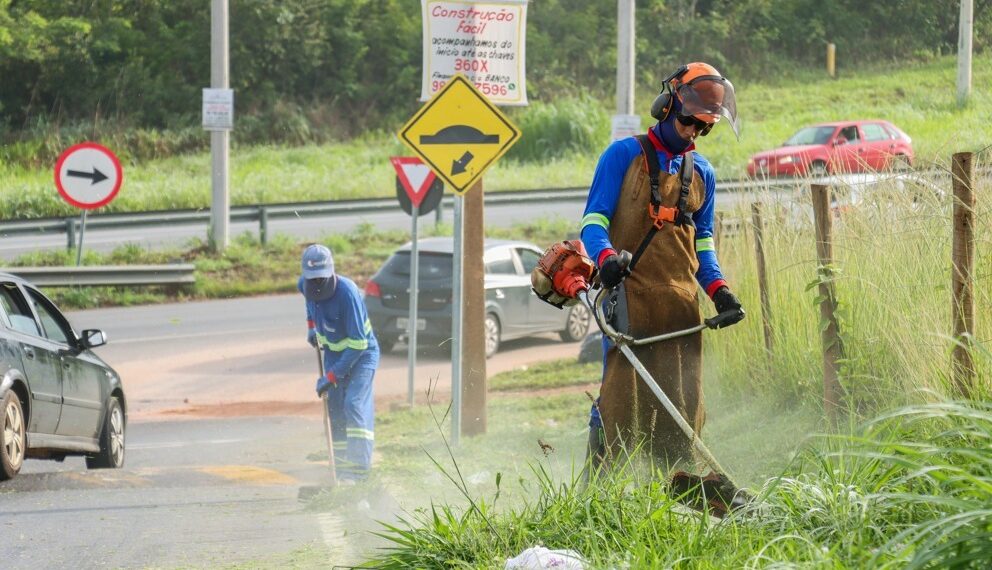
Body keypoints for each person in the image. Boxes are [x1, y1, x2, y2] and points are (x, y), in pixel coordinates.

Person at [580, 62, 745, 471]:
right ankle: (599, 491)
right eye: (690, 121)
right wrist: (606, 259)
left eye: (705, 127)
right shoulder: (623, 155)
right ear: (667, 106)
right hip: (628, 298)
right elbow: (593, 222)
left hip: (680, 304)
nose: (694, 132)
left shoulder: (702, 174)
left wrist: (719, 290)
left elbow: (701, 245)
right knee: (620, 398)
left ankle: (673, 490)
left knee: (680, 406)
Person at [299, 243, 379, 483]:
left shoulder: (347, 293)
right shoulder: (305, 285)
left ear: (331, 272)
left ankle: (360, 472)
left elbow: (358, 344)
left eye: (320, 279)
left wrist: (331, 376)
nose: (316, 285)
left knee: (353, 404)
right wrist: (312, 327)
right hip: (333, 353)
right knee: (335, 408)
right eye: (312, 280)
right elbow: (309, 304)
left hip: (362, 355)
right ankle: (342, 470)